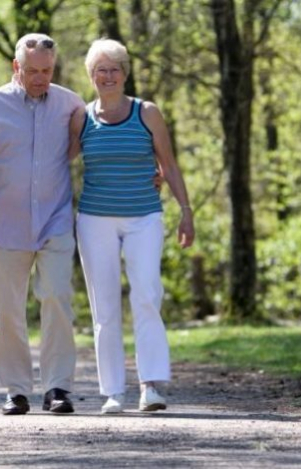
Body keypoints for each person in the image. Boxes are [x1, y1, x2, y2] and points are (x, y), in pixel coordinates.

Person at [0, 33, 85, 415]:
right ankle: (16, 389)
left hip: (54, 221)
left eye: (47, 70)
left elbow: (98, 140)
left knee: (58, 297)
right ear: (16, 67)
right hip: (3, 226)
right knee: (8, 310)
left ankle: (58, 387)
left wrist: (152, 171)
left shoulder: (69, 103)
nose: (41, 78)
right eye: (32, 71)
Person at [69, 39, 195, 414]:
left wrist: (186, 211)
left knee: (146, 295)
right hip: (94, 220)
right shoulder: (82, 117)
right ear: (91, 76)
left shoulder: (147, 113)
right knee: (104, 307)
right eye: (100, 70)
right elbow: (58, 162)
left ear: (125, 74)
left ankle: (151, 386)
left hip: (144, 216)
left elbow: (169, 165)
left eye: (114, 69)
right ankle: (112, 392)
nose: (107, 76)